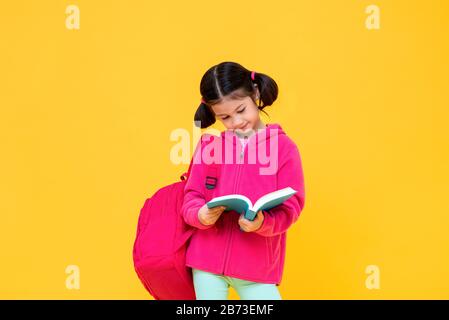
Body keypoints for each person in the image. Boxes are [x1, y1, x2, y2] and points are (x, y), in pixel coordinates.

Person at [181, 61, 306, 300]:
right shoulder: (210, 146)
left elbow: (292, 206)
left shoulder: (284, 148)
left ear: (255, 94)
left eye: (241, 110)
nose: (236, 122)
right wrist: (200, 215)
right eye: (225, 117)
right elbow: (191, 196)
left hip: (257, 267)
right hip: (206, 262)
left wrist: (262, 223)